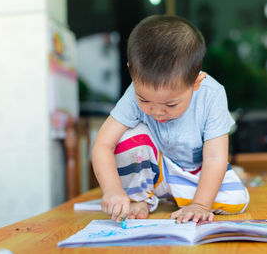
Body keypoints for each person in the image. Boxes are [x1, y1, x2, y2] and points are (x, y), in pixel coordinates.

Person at [91, 15, 249, 224]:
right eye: (144, 100)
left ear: (196, 82)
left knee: (237, 199)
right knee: (130, 135)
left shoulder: (213, 94)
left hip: (197, 171)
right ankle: (141, 197)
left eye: (170, 104)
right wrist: (113, 191)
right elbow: (102, 144)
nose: (156, 111)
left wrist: (200, 205)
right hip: (156, 170)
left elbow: (215, 158)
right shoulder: (133, 92)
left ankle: (179, 196)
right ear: (132, 71)